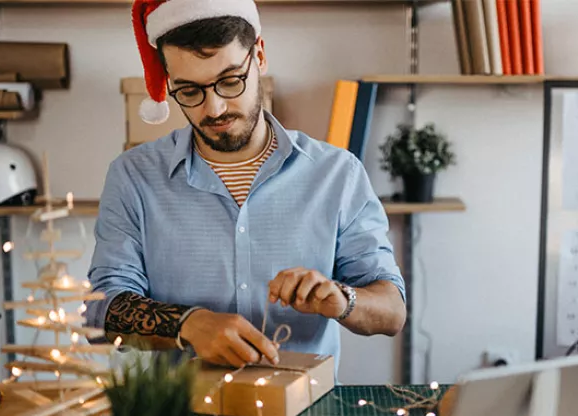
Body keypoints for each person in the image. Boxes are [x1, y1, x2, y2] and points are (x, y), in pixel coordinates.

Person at [84, 0, 407, 369]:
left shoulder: (337, 173)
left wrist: (342, 299)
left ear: (260, 56)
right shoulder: (133, 176)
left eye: (230, 81)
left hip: (305, 412)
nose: (215, 109)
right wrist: (187, 324)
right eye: (189, 91)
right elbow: (101, 311)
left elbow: (392, 311)